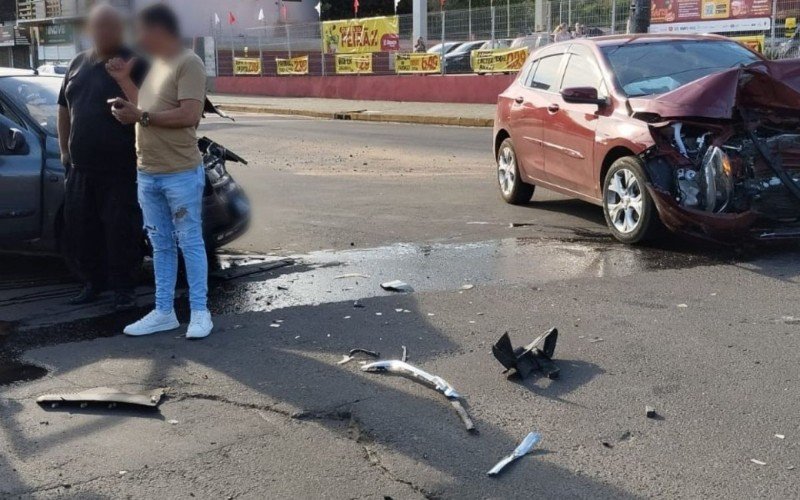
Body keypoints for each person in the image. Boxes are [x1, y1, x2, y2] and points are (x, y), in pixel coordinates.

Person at [107, 4, 212, 339]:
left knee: (190, 242)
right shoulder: (158, 66)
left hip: (179, 171)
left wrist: (140, 117)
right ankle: (163, 311)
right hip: (148, 171)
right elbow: (146, 110)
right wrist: (124, 84)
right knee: (161, 244)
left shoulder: (188, 62)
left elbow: (189, 115)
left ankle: (200, 311)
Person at [57, 4, 148, 311]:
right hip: (80, 168)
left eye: (110, 26)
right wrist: (64, 151)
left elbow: (148, 108)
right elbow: (63, 108)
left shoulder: (134, 61)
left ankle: (124, 289)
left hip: (120, 168)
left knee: (121, 231)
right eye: (98, 26)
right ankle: (93, 284)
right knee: (83, 230)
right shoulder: (77, 63)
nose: (103, 32)